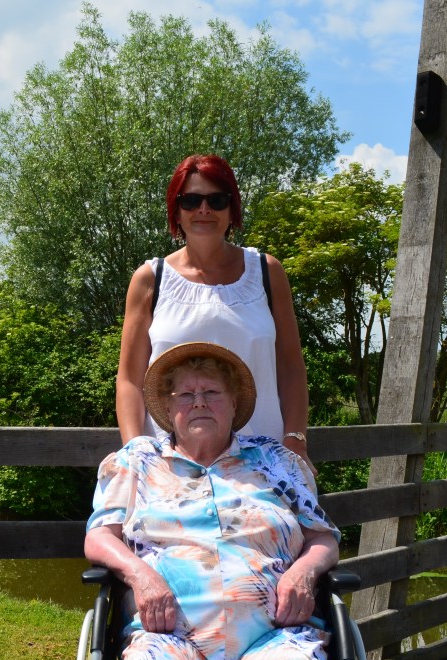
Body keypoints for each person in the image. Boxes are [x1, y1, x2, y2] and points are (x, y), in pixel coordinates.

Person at [87, 341, 343, 660]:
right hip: (170, 634)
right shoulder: (137, 462)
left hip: (273, 633)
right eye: (186, 395)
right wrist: (142, 576)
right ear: (168, 407)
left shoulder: (277, 462)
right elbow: (99, 536)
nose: (199, 402)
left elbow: (322, 537)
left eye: (212, 393)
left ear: (234, 405)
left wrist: (304, 572)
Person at [115, 153, 313, 471]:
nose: (204, 209)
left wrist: (295, 440)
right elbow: (129, 379)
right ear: (176, 211)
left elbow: (291, 366)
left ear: (232, 209)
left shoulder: (267, 271)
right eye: (191, 200)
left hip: (264, 463)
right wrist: (135, 449)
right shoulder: (150, 278)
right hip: (169, 465)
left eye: (217, 200)